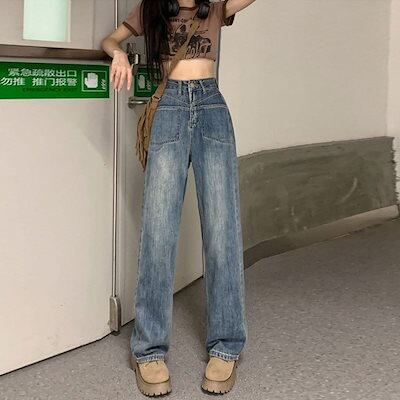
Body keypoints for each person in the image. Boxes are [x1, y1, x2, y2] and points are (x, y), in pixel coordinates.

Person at [101, 0, 256, 396]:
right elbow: (110, 39)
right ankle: (149, 350)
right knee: (158, 232)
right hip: (168, 106)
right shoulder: (152, 7)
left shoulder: (217, 6)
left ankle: (226, 345)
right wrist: (118, 53)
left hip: (211, 105)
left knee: (222, 230)